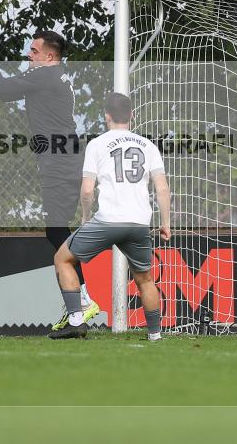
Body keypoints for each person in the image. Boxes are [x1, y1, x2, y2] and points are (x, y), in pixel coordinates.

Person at [0, 31, 99, 327]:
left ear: (49, 56)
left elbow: (0, 91)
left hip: (60, 163)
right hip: (67, 160)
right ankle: (80, 299)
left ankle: (81, 300)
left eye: (34, 51)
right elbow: (6, 86)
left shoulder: (44, 76)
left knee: (56, 232)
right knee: (58, 231)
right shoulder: (53, 76)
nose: (28, 55)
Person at [48, 92, 171, 340]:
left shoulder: (97, 144)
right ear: (132, 116)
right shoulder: (148, 146)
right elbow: (162, 188)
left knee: (63, 259)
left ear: (106, 117)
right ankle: (156, 335)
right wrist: (166, 224)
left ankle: (76, 321)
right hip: (138, 223)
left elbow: (86, 189)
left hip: (108, 221)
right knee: (145, 280)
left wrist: (85, 217)